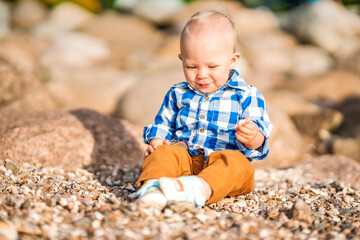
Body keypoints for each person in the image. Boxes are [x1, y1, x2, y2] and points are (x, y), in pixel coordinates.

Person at [131, 10, 273, 209]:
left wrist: (252, 137)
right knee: (163, 154)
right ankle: (154, 190)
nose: (202, 75)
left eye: (212, 66)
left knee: (238, 164)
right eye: (192, 67)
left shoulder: (246, 95)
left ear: (233, 60)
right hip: (185, 159)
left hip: (221, 162)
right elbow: (163, 123)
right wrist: (157, 142)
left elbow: (259, 144)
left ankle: (198, 188)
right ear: (182, 60)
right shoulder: (178, 93)